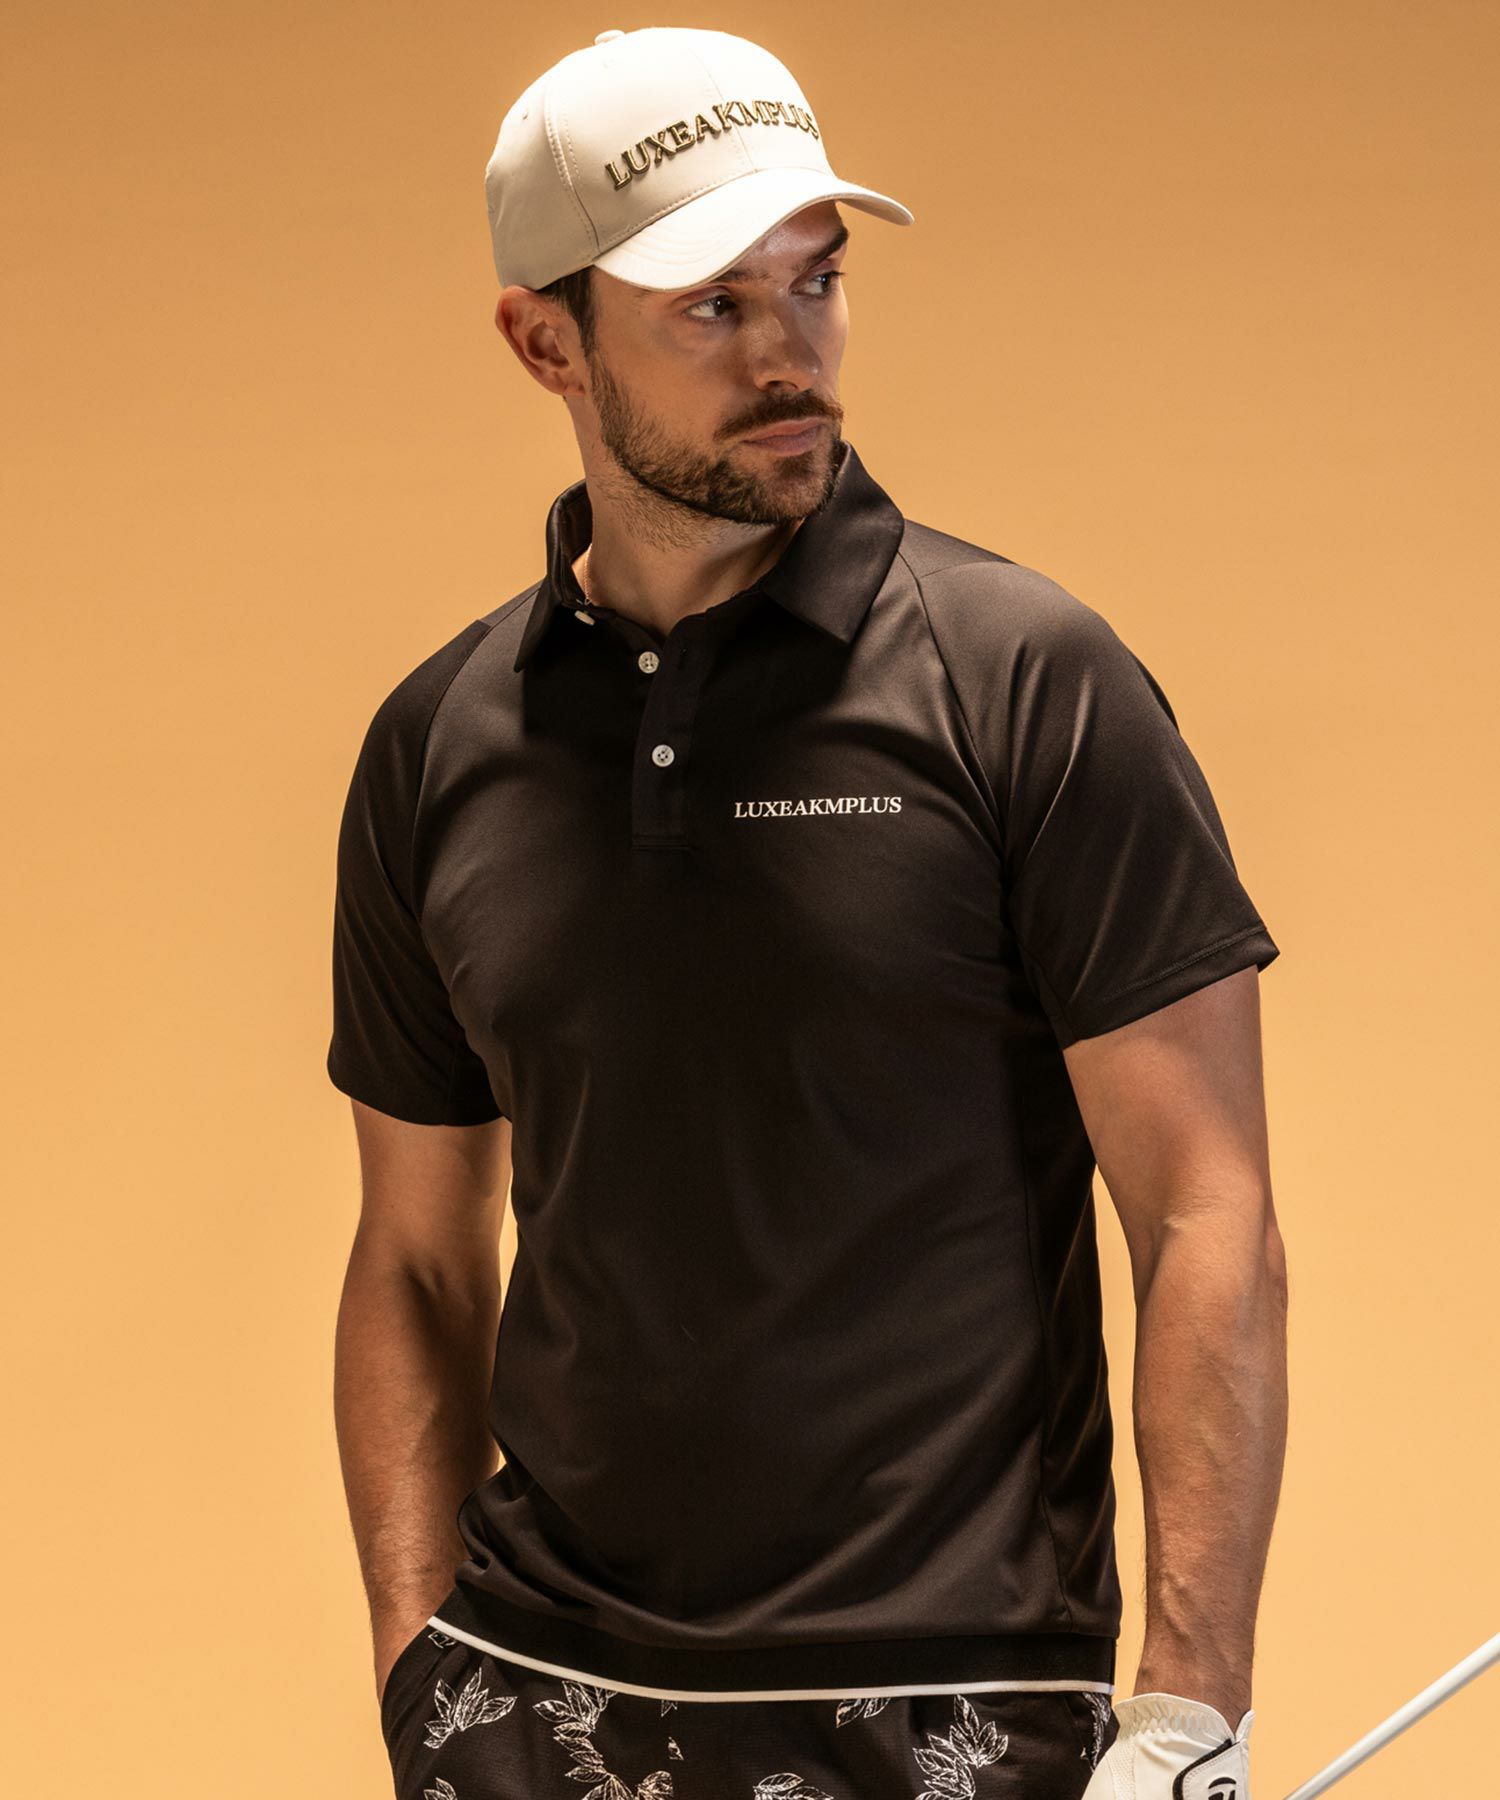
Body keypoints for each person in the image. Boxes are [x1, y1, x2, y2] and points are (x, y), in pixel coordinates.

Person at [326, 26, 1286, 1800]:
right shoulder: (439, 741)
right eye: (712, 306)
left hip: (957, 1712)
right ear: (546, 340)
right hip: (538, 1705)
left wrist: (1187, 1711)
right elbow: (415, 1256)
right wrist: (418, 1670)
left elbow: (1202, 1209)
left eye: (817, 283)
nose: (791, 356)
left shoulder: (1026, 681)